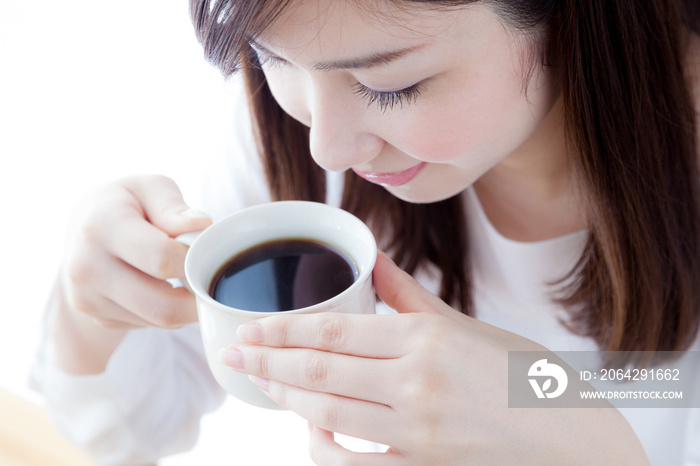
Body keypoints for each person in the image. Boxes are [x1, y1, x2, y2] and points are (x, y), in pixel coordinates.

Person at [32, 0, 700, 464]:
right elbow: (126, 435)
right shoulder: (294, 126)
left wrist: (584, 446)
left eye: (393, 84)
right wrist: (91, 311)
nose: (326, 147)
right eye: (270, 58)